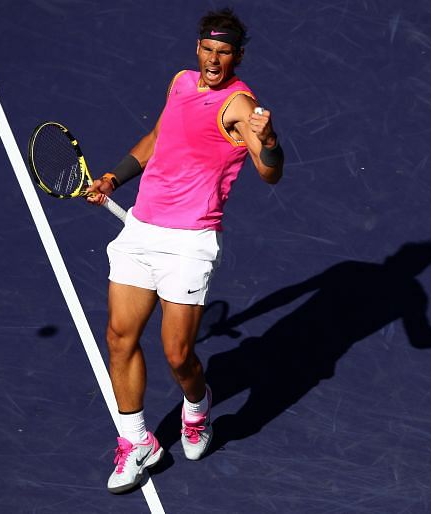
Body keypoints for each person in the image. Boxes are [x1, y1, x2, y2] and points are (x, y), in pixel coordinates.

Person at [86, 7, 284, 494]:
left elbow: (270, 171)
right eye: (208, 50)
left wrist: (270, 141)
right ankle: (137, 443)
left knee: (178, 356)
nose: (215, 60)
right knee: (119, 337)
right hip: (140, 230)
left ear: (237, 56)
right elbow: (157, 138)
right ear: (198, 49)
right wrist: (115, 176)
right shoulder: (180, 82)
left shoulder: (240, 106)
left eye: (225, 53)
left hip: (190, 243)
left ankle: (196, 407)